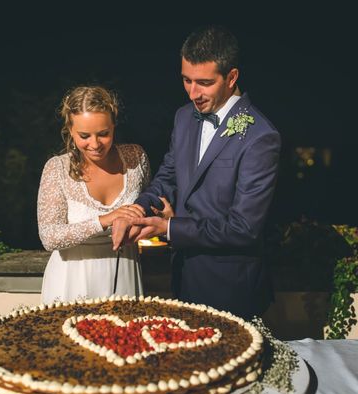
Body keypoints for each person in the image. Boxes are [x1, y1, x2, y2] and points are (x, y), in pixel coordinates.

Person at [112, 25, 281, 320]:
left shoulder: (261, 136)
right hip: (183, 277)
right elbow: (168, 177)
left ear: (232, 78)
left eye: (204, 83)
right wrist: (137, 210)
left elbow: (244, 228)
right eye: (186, 80)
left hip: (231, 287)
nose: (193, 93)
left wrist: (169, 229)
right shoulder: (183, 118)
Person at [38, 85, 167, 304]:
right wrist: (106, 219)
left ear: (114, 125)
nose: (95, 144)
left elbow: (147, 208)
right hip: (72, 279)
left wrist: (161, 218)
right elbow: (49, 237)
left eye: (103, 134)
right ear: (70, 130)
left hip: (125, 271)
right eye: (84, 136)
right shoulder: (56, 168)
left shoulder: (136, 157)